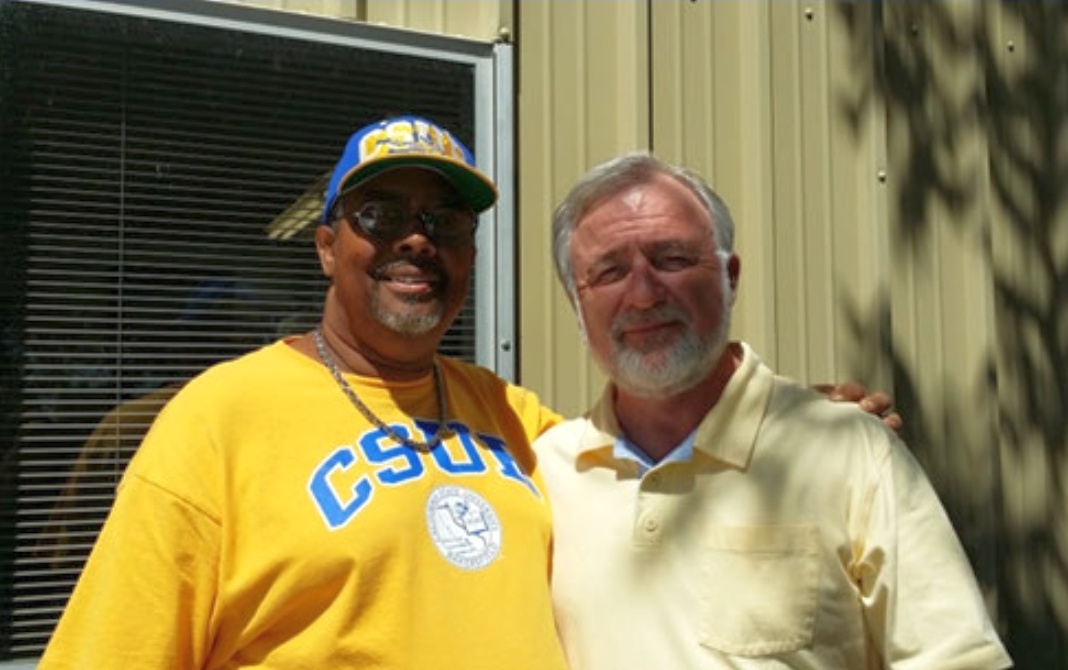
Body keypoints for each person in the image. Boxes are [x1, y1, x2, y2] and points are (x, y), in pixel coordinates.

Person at [39, 116, 895, 668]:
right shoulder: (216, 421)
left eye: (444, 222)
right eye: (381, 215)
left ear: (470, 258)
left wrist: (788, 418)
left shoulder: (514, 418)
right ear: (328, 246)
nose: (417, 239)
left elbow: (663, 456)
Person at [536, 152, 1012, 669]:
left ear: (730, 278)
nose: (644, 294)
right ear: (576, 303)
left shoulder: (850, 451)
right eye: (609, 271)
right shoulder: (542, 476)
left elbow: (957, 658)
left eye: (671, 259)